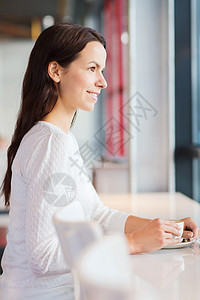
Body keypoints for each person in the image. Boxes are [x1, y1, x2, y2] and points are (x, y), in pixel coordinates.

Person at [0, 23, 199, 299]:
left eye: (102, 70)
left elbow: (97, 214)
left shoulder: (60, 139)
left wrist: (161, 229)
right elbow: (42, 257)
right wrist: (132, 243)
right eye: (92, 68)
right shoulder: (49, 144)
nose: (103, 82)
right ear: (55, 71)